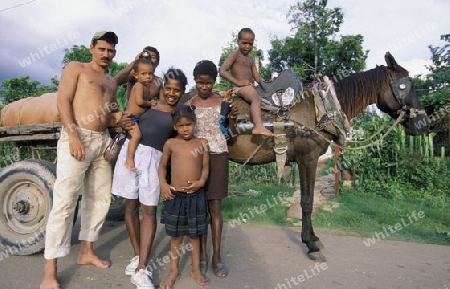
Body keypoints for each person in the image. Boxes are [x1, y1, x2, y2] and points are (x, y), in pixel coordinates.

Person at [39, 31, 120, 289]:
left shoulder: (111, 82)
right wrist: (73, 135)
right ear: (92, 48)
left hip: (102, 140)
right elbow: (63, 100)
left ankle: (87, 251)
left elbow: (111, 113)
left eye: (111, 50)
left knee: (100, 199)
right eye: (102, 49)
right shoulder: (77, 68)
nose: (106, 54)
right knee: (64, 202)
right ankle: (50, 270)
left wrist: (124, 119)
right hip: (78, 137)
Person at [112, 68, 188, 288]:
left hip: (154, 161)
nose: (172, 93)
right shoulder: (149, 103)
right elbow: (128, 116)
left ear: (182, 91)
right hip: (132, 153)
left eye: (177, 90)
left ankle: (141, 269)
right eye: (169, 88)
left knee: (149, 211)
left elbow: (178, 142)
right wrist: (124, 121)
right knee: (130, 207)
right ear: (163, 87)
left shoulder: (179, 114)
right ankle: (138, 257)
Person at [185, 60, 237, 278]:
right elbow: (184, 133)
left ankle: (216, 256)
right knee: (199, 209)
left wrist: (232, 119)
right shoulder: (190, 104)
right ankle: (203, 255)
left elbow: (232, 136)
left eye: (208, 83)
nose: (204, 87)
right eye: (200, 83)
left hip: (217, 157)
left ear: (214, 82)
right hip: (195, 160)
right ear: (195, 81)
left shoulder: (224, 102)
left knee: (215, 207)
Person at [158, 105, 210, 288]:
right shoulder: (171, 144)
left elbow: (205, 168)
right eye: (181, 126)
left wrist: (201, 182)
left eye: (189, 124)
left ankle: (196, 269)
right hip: (175, 196)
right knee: (176, 237)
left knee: (194, 236)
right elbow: (162, 166)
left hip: (196, 196)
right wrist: (164, 185)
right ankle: (173, 272)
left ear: (195, 123)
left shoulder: (202, 143)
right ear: (175, 127)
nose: (185, 129)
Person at [219, 27, 275, 137]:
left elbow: (257, 78)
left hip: (249, 87)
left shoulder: (251, 60)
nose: (247, 46)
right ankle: (258, 126)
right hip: (239, 88)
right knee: (256, 98)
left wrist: (268, 82)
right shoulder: (234, 55)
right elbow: (222, 71)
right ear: (238, 42)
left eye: (250, 43)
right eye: (244, 43)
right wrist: (237, 82)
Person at [123, 58, 157, 171]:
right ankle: (129, 159)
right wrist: (150, 103)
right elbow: (139, 102)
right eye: (144, 74)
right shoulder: (138, 86)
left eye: (150, 74)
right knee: (137, 136)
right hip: (130, 117)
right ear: (136, 75)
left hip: (137, 118)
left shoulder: (146, 88)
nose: (148, 76)